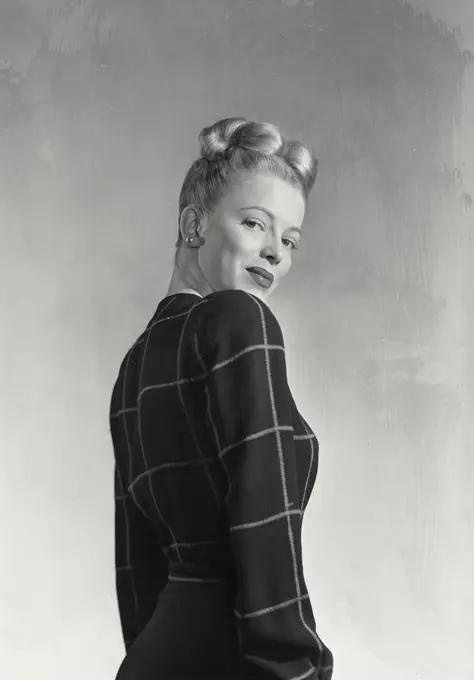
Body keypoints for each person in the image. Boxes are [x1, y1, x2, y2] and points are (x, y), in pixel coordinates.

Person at [110, 117, 334, 679]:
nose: (275, 253)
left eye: (289, 240)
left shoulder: (132, 367)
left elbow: (135, 559)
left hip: (153, 659)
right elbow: (264, 515)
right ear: (194, 222)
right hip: (238, 658)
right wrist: (295, 666)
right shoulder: (239, 321)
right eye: (256, 223)